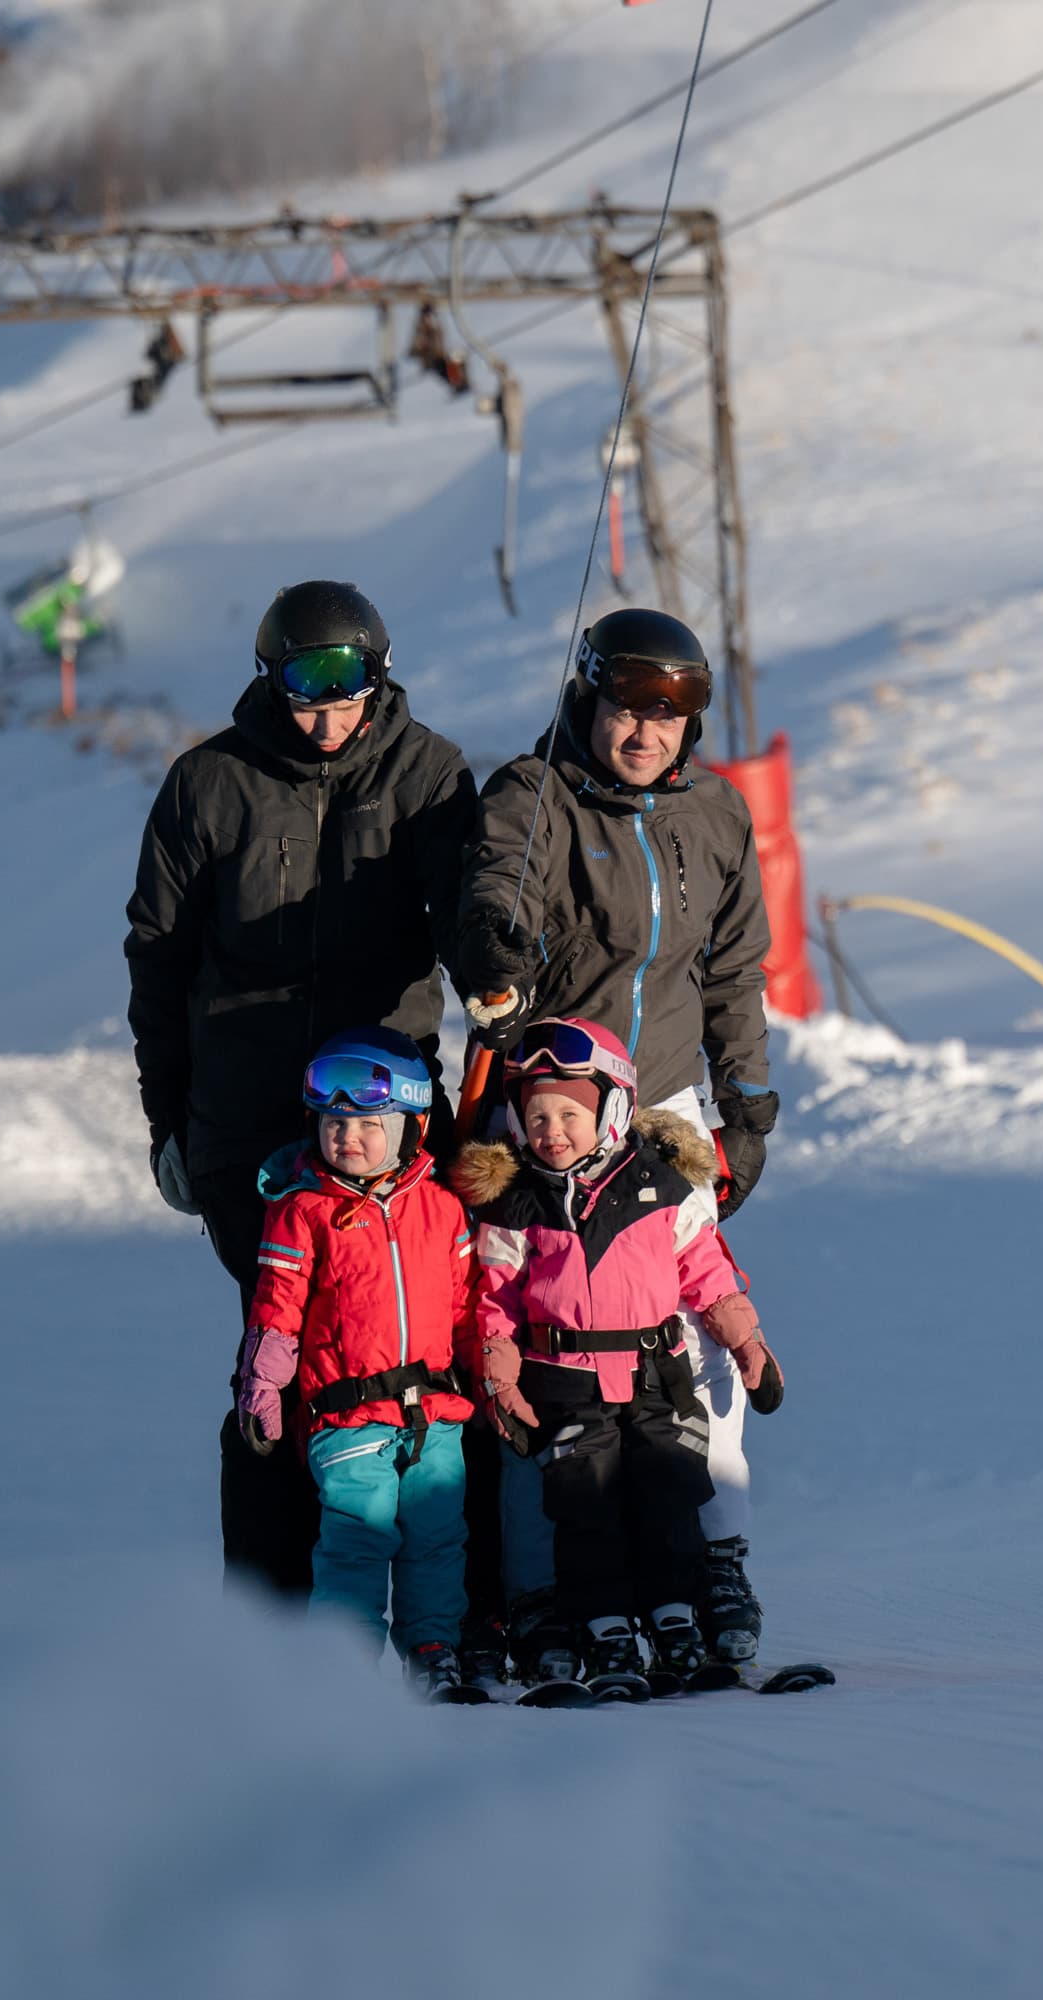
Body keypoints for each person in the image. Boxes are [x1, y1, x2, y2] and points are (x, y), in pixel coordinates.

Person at [125, 581, 477, 1601]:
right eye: (302, 693)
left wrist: (489, 954)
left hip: (387, 1110)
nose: (326, 718)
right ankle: (275, 1611)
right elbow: (159, 955)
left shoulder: (427, 772)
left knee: (419, 1341)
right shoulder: (210, 783)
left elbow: (465, 907)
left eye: (347, 691)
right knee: (286, 1339)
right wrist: (170, 1121)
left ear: (381, 672)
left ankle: (446, 1600)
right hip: (249, 1114)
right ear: (268, 680)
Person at [450, 607, 784, 1673]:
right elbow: (494, 884)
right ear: (585, 697)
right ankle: (540, 1587)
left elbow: (733, 970)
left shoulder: (716, 813)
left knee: (688, 1337)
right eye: (623, 706)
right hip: (554, 1103)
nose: (641, 731)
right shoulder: (533, 792)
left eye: (665, 713)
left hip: (668, 1108)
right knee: (546, 1342)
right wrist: (496, 937)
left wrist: (746, 1105)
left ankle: (706, 1557)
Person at [452, 1018, 779, 1691]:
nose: (551, 1130)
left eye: (570, 1112)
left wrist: (744, 1338)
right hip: (567, 1384)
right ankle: (603, 1629)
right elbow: (497, 1300)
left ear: (614, 1109)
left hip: (658, 1378)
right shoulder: (517, 1207)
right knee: (585, 1511)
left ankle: (672, 1620)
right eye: (536, 1114)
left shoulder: (660, 1185)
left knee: (669, 1498)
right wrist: (501, 1377)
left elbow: (706, 1270)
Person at [231, 1029, 482, 1698]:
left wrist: (494, 1378)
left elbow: (466, 1310)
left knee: (436, 1538)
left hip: (436, 1413)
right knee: (356, 1540)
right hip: (346, 1419)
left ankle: (434, 1651)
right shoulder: (301, 1211)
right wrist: (262, 1388)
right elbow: (276, 1311)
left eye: (369, 1124)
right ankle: (340, 1670)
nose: (347, 1138)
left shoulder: (444, 1207)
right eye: (334, 1124)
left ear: (410, 1126)